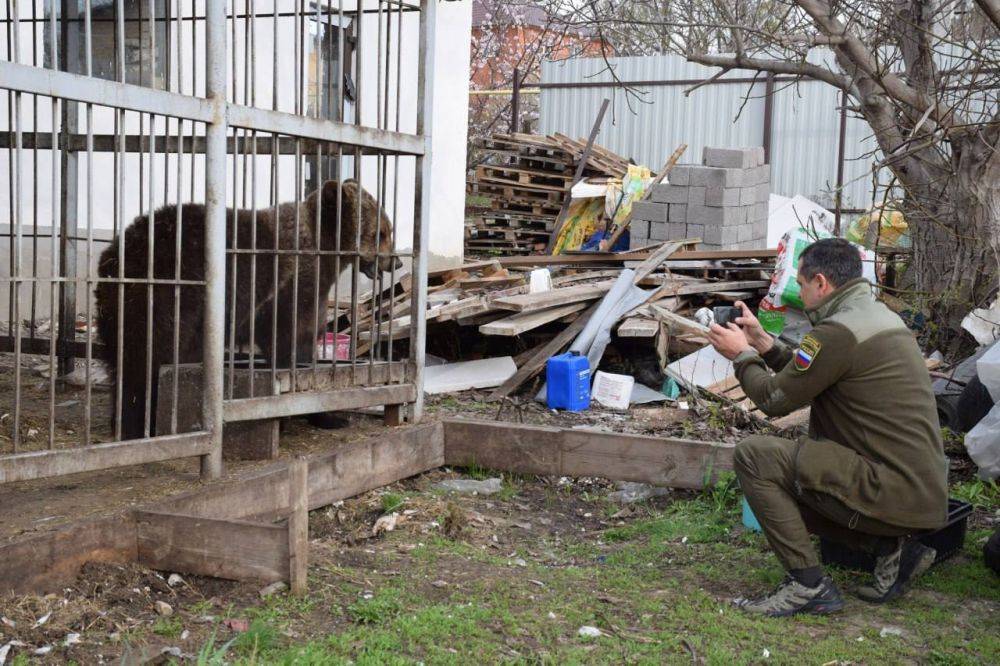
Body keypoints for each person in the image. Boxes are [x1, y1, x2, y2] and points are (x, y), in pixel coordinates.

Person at [707, 238, 948, 617]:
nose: (800, 295)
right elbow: (811, 373)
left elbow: (774, 400)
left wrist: (742, 355)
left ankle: (808, 585)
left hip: (889, 486)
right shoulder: (874, 317)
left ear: (820, 283)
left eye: (801, 285)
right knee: (799, 469)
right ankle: (889, 549)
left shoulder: (837, 333)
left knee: (756, 457)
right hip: (913, 488)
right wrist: (764, 343)